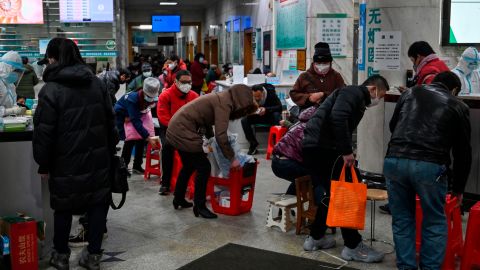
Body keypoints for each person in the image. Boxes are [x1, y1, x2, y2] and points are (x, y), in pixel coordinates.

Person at [32, 38, 117, 270]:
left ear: (53, 58)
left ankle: (60, 257)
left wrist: (43, 163)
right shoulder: (98, 84)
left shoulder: (50, 90)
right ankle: (93, 257)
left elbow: (44, 133)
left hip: (64, 161)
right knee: (98, 205)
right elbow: (112, 124)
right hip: (99, 159)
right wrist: (111, 152)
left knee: (63, 208)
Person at [383, 71, 471, 270]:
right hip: (429, 166)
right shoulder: (457, 105)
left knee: (402, 219)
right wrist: (458, 189)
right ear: (454, 90)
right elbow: (463, 152)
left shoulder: (410, 93)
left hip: (394, 161)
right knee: (433, 221)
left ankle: (406, 267)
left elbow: (393, 125)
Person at [301, 75, 389, 263]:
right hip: (325, 148)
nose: (378, 100)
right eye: (380, 95)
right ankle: (353, 247)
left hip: (315, 147)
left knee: (332, 194)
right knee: (347, 192)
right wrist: (346, 151)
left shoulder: (352, 96)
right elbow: (338, 116)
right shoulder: (353, 92)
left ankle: (315, 237)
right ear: (372, 89)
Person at [166, 84, 257, 219]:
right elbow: (221, 135)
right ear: (241, 101)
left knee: (189, 166)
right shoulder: (224, 103)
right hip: (183, 131)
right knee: (204, 167)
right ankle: (200, 206)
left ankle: (178, 198)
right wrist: (232, 159)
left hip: (177, 127)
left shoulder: (223, 97)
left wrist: (209, 137)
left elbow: (206, 118)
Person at [157, 70, 199, 195]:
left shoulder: (194, 96)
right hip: (169, 130)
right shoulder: (165, 96)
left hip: (188, 129)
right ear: (175, 82)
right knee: (167, 148)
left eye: (189, 82)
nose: (187, 84)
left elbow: (199, 114)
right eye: (183, 82)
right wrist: (179, 129)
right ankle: (165, 183)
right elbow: (163, 116)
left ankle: (195, 183)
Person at [115, 77, 161, 174]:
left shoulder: (147, 98)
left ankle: (137, 166)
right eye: (149, 96)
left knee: (140, 139)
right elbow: (135, 121)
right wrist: (148, 137)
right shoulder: (133, 100)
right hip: (122, 117)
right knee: (130, 140)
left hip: (134, 116)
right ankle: (123, 167)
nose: (151, 99)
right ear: (144, 92)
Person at [271, 106, 317, 195]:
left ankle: (286, 204)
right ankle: (318, 207)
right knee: (316, 178)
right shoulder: (311, 128)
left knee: (301, 178)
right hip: (287, 163)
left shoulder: (299, 123)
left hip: (276, 161)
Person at [290, 42, 345, 110]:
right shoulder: (304, 76)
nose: (322, 65)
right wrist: (309, 97)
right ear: (314, 63)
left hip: (331, 114)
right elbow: (294, 93)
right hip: (309, 116)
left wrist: (323, 95)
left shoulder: (336, 76)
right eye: (318, 63)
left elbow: (343, 93)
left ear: (330, 63)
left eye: (325, 63)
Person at [241, 84, 282, 154]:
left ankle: (276, 143)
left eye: (258, 96)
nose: (257, 98)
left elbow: (279, 107)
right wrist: (251, 111)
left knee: (276, 115)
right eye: (255, 96)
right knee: (244, 120)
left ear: (263, 92)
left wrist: (266, 109)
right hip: (257, 116)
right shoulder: (249, 95)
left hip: (269, 116)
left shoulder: (271, 93)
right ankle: (253, 144)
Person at [0, 51, 26, 115]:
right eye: (15, 70)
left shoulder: (10, 84)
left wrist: (17, 107)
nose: (16, 74)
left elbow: (13, 104)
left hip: (9, 122)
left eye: (18, 71)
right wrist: (10, 111)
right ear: (6, 68)